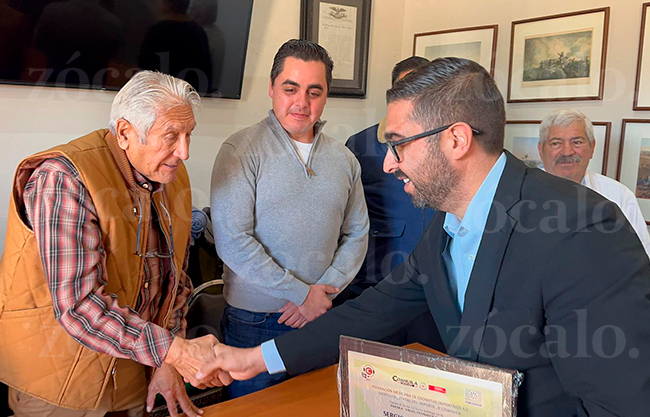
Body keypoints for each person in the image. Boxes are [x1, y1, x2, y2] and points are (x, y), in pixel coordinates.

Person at [204, 58, 650, 416]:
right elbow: (370, 313)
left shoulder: (584, 229)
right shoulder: (446, 224)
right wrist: (253, 359)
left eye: (399, 143)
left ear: (456, 140)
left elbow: (618, 405)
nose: (388, 164)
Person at [0, 71, 227, 417]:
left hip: (135, 372)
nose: (184, 152)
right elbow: (79, 306)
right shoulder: (64, 179)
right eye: (171, 136)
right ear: (124, 133)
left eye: (188, 135)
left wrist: (166, 362)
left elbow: (175, 281)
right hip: (60, 380)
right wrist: (175, 352)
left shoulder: (171, 175)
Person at [210, 39, 368, 398]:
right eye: (290, 88)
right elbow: (233, 241)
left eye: (314, 91)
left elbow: (357, 233)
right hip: (254, 323)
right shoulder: (240, 150)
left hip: (322, 318)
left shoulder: (344, 159)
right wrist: (300, 294)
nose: (301, 102)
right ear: (271, 88)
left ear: (326, 96)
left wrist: (322, 295)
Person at [340, 56, 441, 350]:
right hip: (378, 287)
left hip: (436, 293)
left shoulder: (447, 143)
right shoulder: (360, 146)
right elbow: (347, 220)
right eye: (405, 89)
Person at [538, 108, 650, 257]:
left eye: (577, 142)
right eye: (556, 143)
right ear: (541, 150)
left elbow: (641, 257)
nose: (567, 152)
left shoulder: (619, 196)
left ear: (592, 148)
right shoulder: (517, 193)